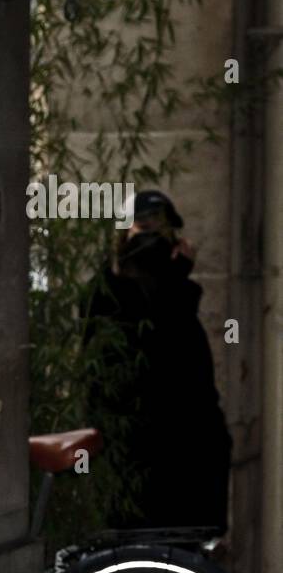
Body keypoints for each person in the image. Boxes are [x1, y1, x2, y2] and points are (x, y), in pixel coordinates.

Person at [82, 190, 232, 532]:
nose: (150, 245)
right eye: (140, 229)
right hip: (134, 433)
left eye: (158, 232)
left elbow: (178, 352)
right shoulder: (108, 291)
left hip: (180, 430)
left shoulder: (172, 291)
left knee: (177, 531)